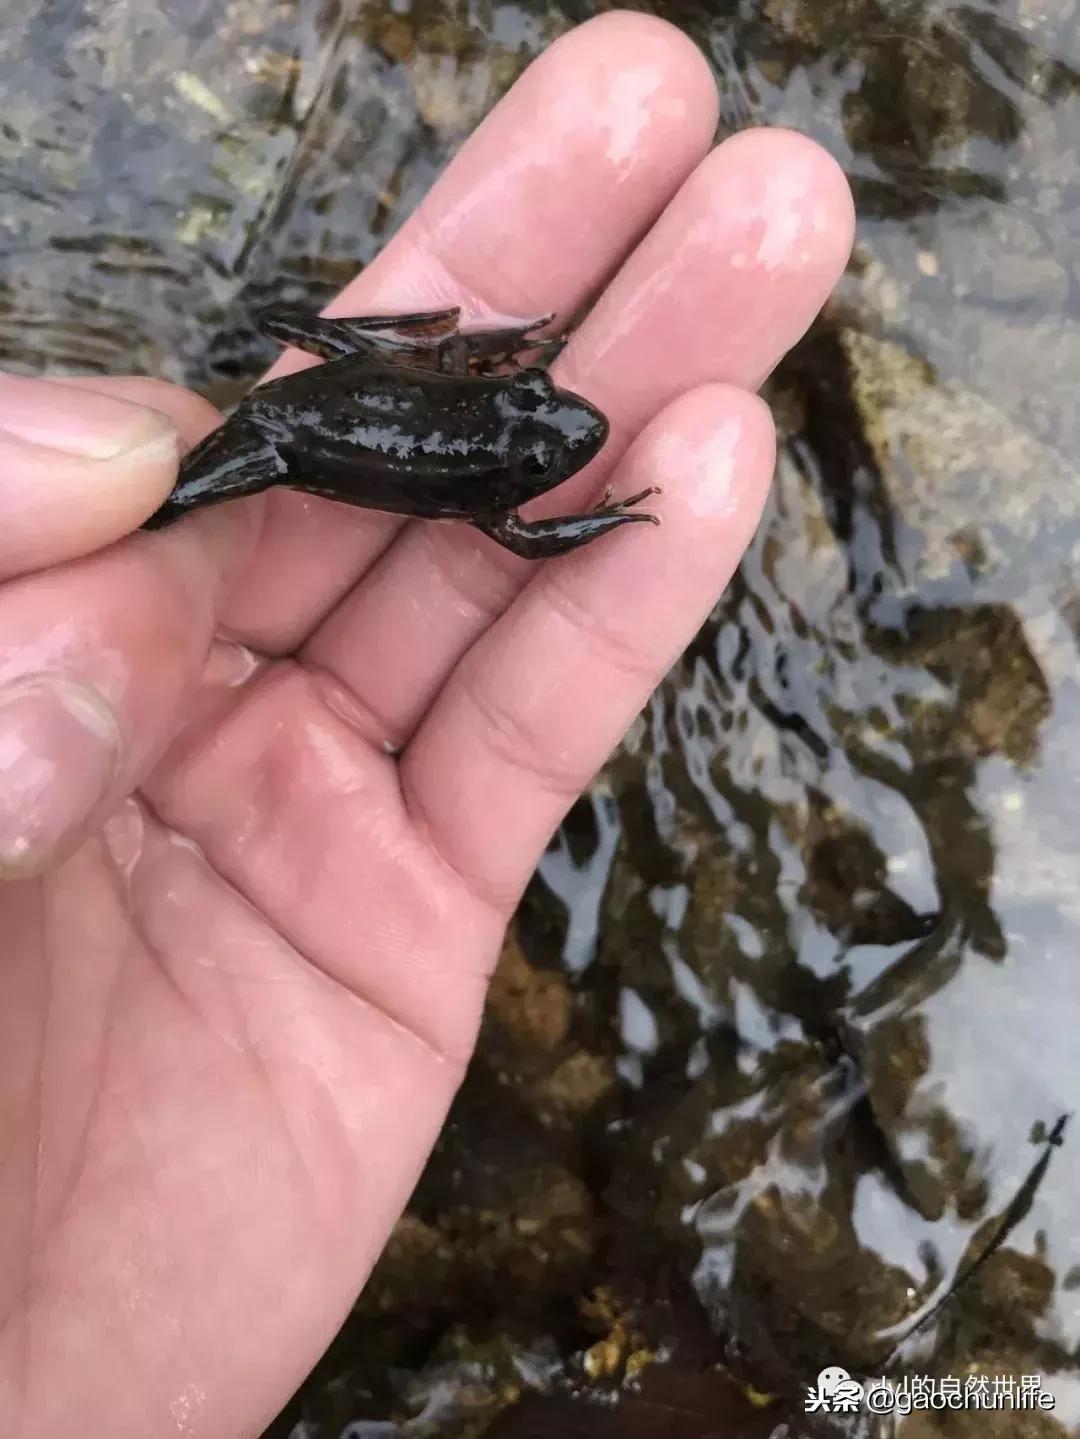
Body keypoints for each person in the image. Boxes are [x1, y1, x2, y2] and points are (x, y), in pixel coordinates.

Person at [0, 13, 853, 1436]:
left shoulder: (502, 445)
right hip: (308, 427)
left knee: (210, 481)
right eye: (549, 425)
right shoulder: (495, 479)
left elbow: (517, 497)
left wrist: (563, 462)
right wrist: (601, 512)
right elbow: (523, 540)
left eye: (549, 413)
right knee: (178, 498)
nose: (564, 422)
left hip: (332, 406)